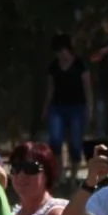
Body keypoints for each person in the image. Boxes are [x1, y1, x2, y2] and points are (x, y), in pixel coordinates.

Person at [44, 33, 93, 179]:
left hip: (77, 108)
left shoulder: (80, 65)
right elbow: (50, 89)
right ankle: (60, 174)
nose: (60, 55)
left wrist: (90, 109)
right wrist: (45, 108)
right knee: (56, 140)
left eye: (61, 51)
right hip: (57, 108)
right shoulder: (53, 66)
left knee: (76, 143)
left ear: (67, 49)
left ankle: (73, 177)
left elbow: (88, 88)